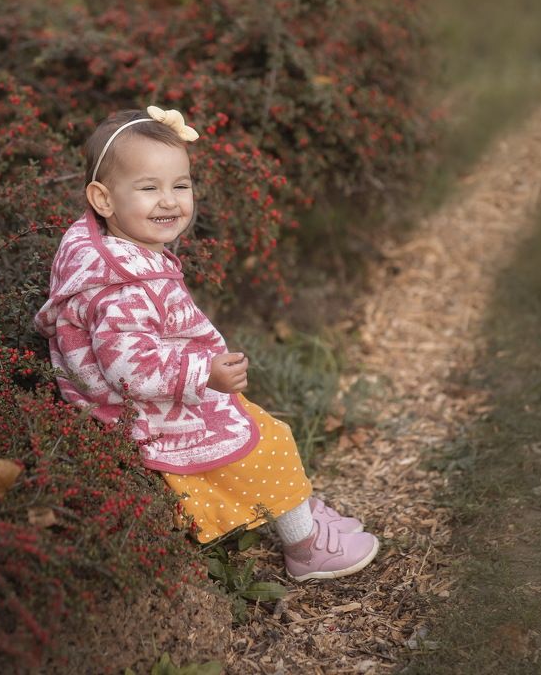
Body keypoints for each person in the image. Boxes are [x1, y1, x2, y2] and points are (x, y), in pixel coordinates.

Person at [34, 105, 379, 581]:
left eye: (181, 185)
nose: (169, 201)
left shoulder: (111, 250)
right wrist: (203, 374)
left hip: (159, 390)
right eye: (149, 188)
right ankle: (305, 548)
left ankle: (299, 506)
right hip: (132, 410)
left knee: (253, 421)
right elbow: (128, 368)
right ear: (103, 199)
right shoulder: (122, 287)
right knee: (267, 443)